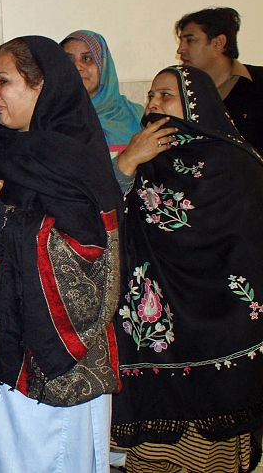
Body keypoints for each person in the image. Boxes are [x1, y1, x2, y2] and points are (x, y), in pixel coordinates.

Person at [0, 36, 122, 472]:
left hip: (58, 361)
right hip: (8, 348)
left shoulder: (69, 156)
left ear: (42, 86)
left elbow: (82, 251)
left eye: (3, 81)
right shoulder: (13, 150)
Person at [110, 65, 263, 473]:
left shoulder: (238, 164)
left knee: (213, 453)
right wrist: (126, 163)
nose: (154, 104)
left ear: (198, 104)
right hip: (158, 329)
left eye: (166, 95)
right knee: (156, 453)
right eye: (152, 96)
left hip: (221, 322)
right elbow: (104, 219)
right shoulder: (144, 160)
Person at [176, 7, 263, 153]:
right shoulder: (178, 90)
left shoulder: (258, 82)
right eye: (181, 41)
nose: (180, 49)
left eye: (190, 40)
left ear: (218, 43)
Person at [61, 30, 143, 154]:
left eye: (87, 58)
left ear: (104, 66)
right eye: (69, 60)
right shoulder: (52, 118)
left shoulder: (136, 115)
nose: (77, 66)